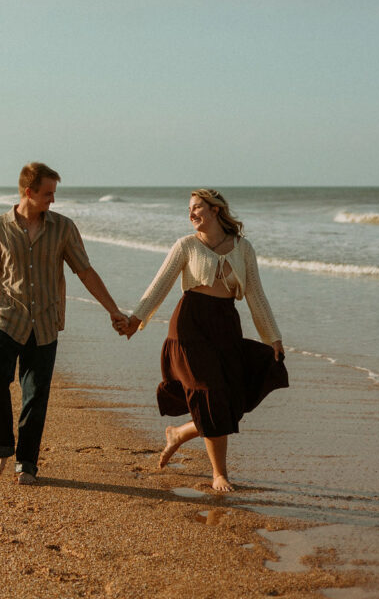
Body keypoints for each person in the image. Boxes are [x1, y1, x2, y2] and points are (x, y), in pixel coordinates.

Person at [119, 188, 288, 492]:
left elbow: (256, 295)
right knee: (210, 396)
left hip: (225, 325)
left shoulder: (243, 248)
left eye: (197, 208)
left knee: (229, 401)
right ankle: (219, 474)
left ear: (215, 210)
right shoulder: (186, 246)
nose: (191, 214)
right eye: (189, 209)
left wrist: (272, 337)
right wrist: (136, 320)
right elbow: (159, 286)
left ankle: (179, 433)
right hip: (190, 326)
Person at [0, 162, 128, 485]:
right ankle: (2, 448)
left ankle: (27, 464)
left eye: (53, 194)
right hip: (5, 317)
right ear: (28, 192)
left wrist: (112, 309)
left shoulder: (63, 228)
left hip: (44, 321)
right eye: (47, 194)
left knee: (36, 394)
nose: (52, 201)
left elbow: (85, 271)